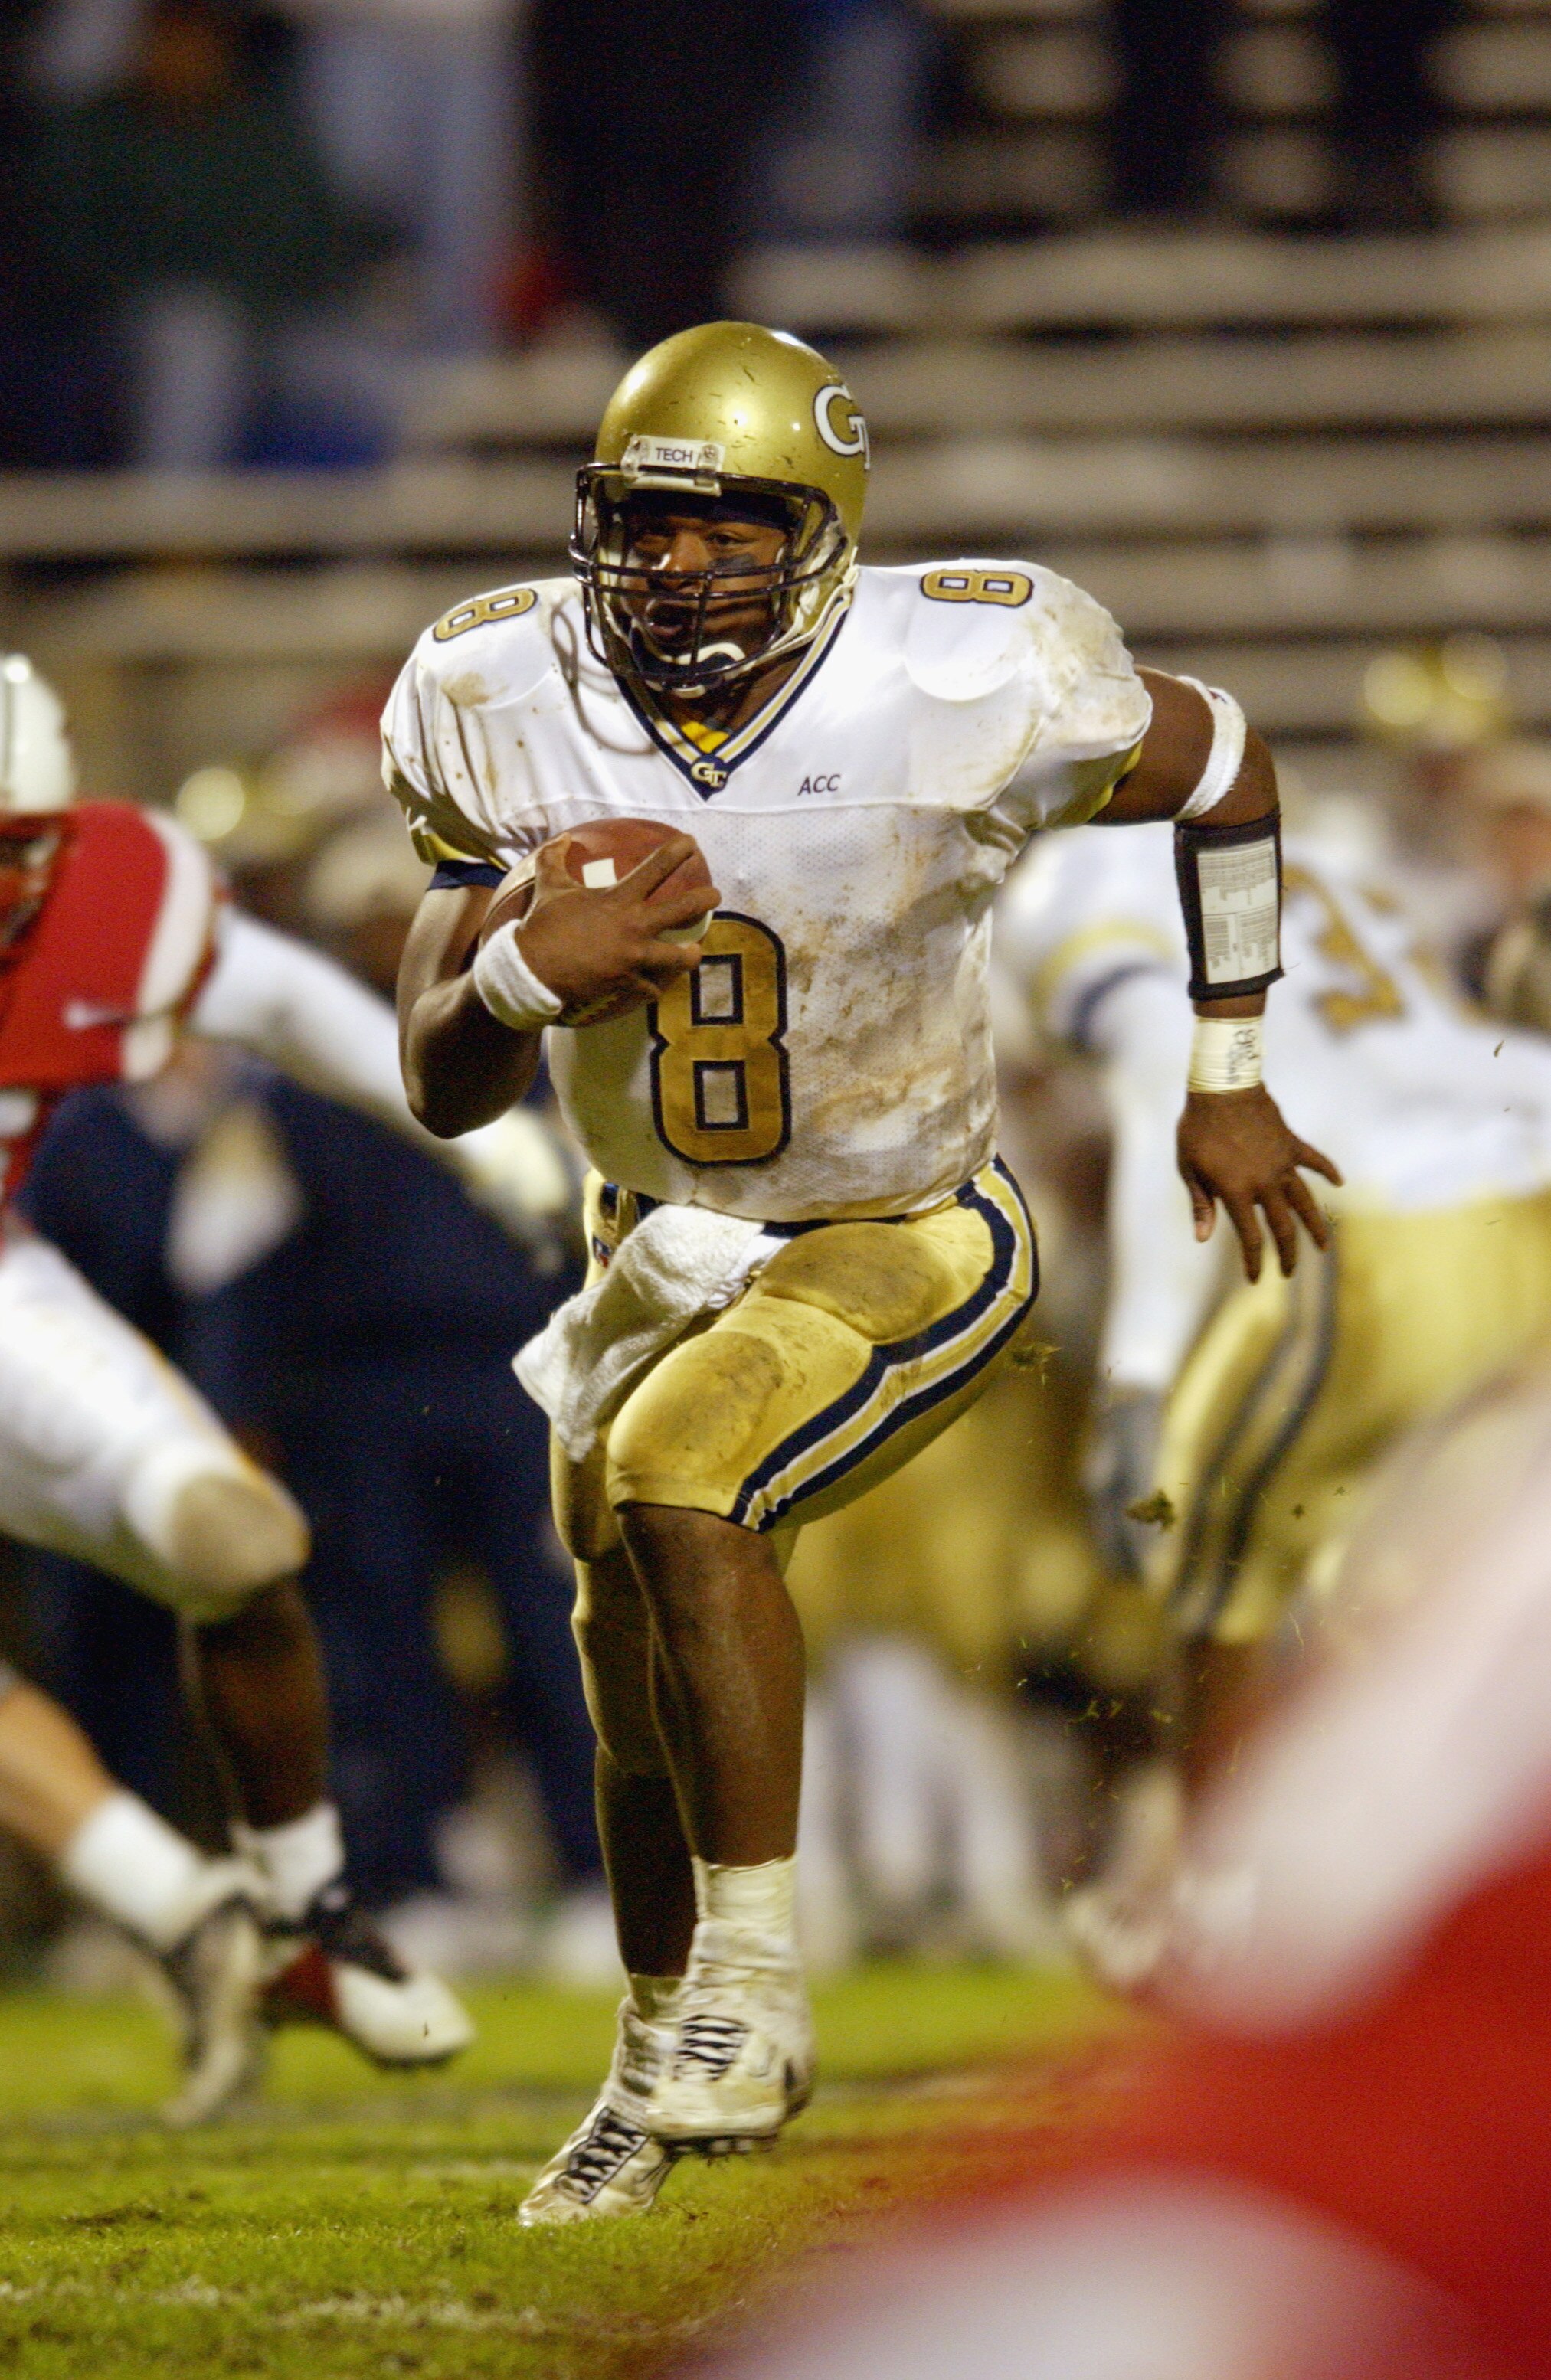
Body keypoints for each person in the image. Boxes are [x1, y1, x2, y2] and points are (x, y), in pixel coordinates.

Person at [386, 318, 1336, 2221]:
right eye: (641, 527)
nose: (670, 569)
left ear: (817, 530)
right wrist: (512, 978)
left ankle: (755, 1992)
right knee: (625, 1681)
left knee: (682, 1476)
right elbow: (437, 1077)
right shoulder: (498, 688)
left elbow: (1223, 759)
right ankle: (659, 2050)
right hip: (652, 1243)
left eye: (722, 529)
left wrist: (1226, 1067)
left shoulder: (963, 672)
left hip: (903, 1223)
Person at [0, 652, 570, 2111]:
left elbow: (284, 1005)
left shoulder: (108, 887)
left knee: (240, 1545)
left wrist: (480, 1144)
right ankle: (181, 1913)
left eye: (23, 847)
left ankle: (300, 1916)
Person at [997, 814, 1551, 1971]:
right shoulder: (1325, 850)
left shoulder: (1072, 881)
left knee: (1218, 1550)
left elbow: (1169, 1081)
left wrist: (1141, 1370)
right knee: (1462, 1563)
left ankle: (1223, 1896)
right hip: (1528, 1175)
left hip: (1397, 1225)